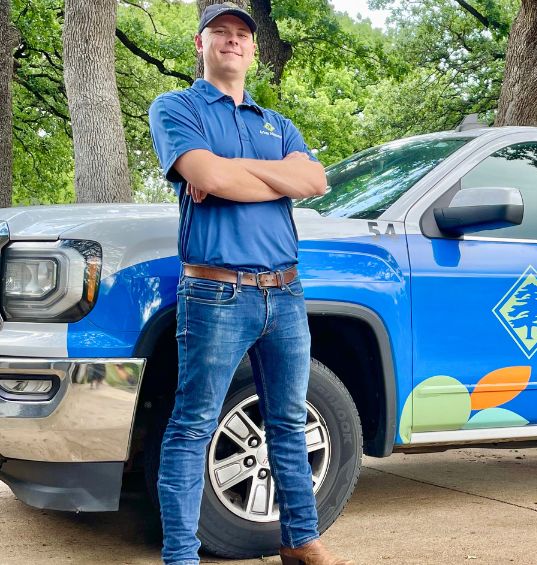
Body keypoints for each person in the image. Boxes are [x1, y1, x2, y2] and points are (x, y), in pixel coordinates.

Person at [148, 3, 351, 565]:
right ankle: (181, 556)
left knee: (288, 420)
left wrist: (236, 175)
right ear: (200, 43)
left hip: (285, 293)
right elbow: (207, 175)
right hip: (216, 293)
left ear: (254, 49)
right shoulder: (176, 107)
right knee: (193, 425)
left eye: (242, 34)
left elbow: (315, 180)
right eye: (221, 33)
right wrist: (265, 177)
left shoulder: (277, 122)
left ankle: (301, 541)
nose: (233, 41)